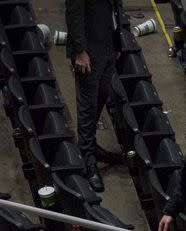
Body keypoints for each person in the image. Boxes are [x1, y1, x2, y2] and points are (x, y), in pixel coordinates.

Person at [66, 0, 126, 193]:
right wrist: (80, 51)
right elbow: (74, 14)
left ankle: (90, 145)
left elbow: (115, 8)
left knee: (101, 98)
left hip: (108, 45)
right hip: (89, 51)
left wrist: (117, 43)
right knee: (88, 106)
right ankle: (88, 159)